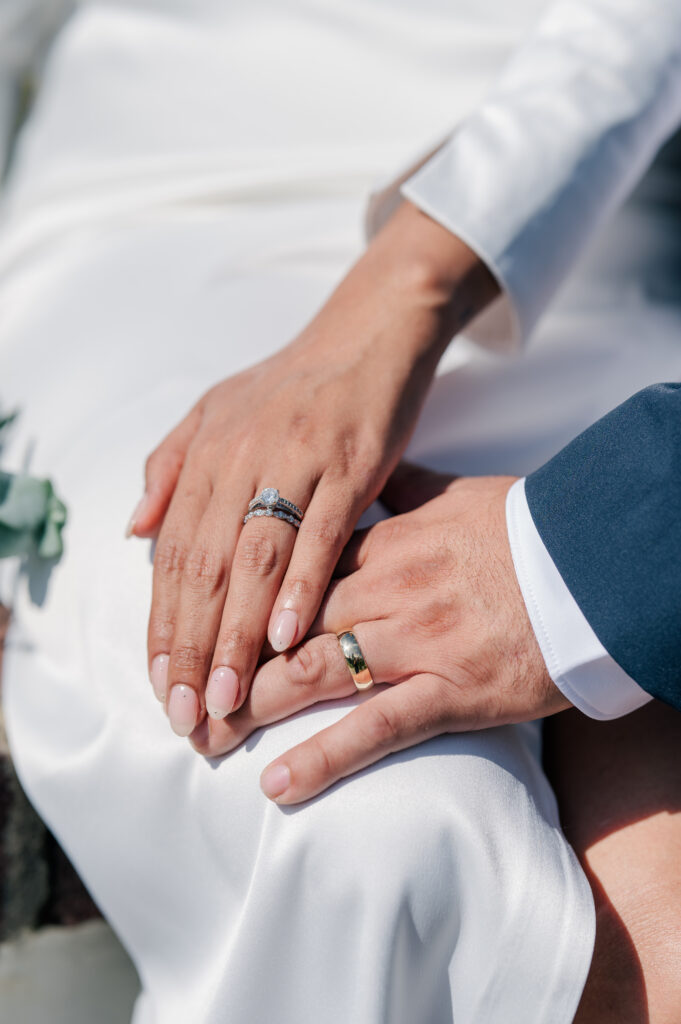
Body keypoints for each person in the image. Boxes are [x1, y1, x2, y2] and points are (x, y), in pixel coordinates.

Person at [0, 1, 680, 1021]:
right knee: (380, 817)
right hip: (157, 205)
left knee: (653, 919)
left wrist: (410, 283)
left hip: (587, 216)